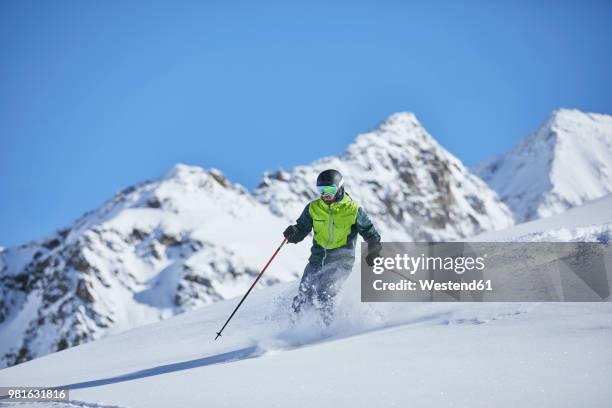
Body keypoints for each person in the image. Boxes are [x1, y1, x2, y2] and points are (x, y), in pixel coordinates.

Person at [283, 169, 382, 323]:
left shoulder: (352, 209)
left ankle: (328, 330)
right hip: (317, 259)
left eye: (329, 190)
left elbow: (370, 232)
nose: (325, 194)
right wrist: (293, 233)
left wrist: (374, 250)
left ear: (340, 188)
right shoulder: (313, 208)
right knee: (304, 295)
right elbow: (301, 229)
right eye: (321, 190)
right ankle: (296, 330)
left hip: (341, 261)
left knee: (324, 293)